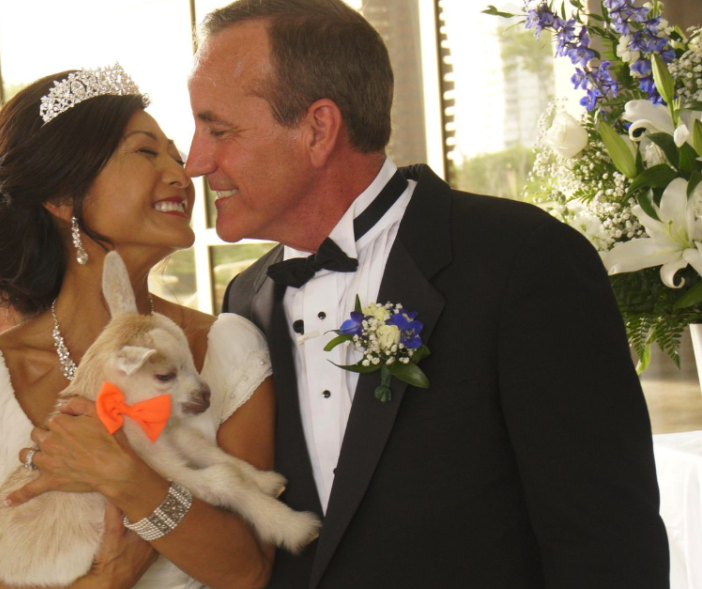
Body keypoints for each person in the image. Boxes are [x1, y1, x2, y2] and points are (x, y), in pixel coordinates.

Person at [185, 1, 671, 587]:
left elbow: (607, 541)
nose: (195, 161)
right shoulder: (245, 299)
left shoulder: (523, 261)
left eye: (219, 130)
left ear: (318, 128)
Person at [0, 66, 288, 589]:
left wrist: (127, 479)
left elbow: (248, 569)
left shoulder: (225, 347)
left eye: (173, 153)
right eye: (147, 152)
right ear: (61, 197)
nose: (180, 172)